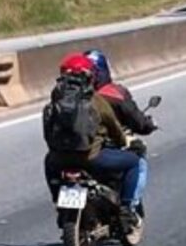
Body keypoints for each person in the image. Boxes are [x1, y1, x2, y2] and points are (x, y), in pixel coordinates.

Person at [41, 51, 156, 229]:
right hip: (92, 158)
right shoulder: (97, 100)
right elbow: (115, 129)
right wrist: (122, 142)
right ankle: (126, 209)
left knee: (48, 162)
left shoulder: (54, 103)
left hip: (58, 160)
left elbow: (47, 133)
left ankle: (60, 205)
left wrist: (59, 151)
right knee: (135, 162)